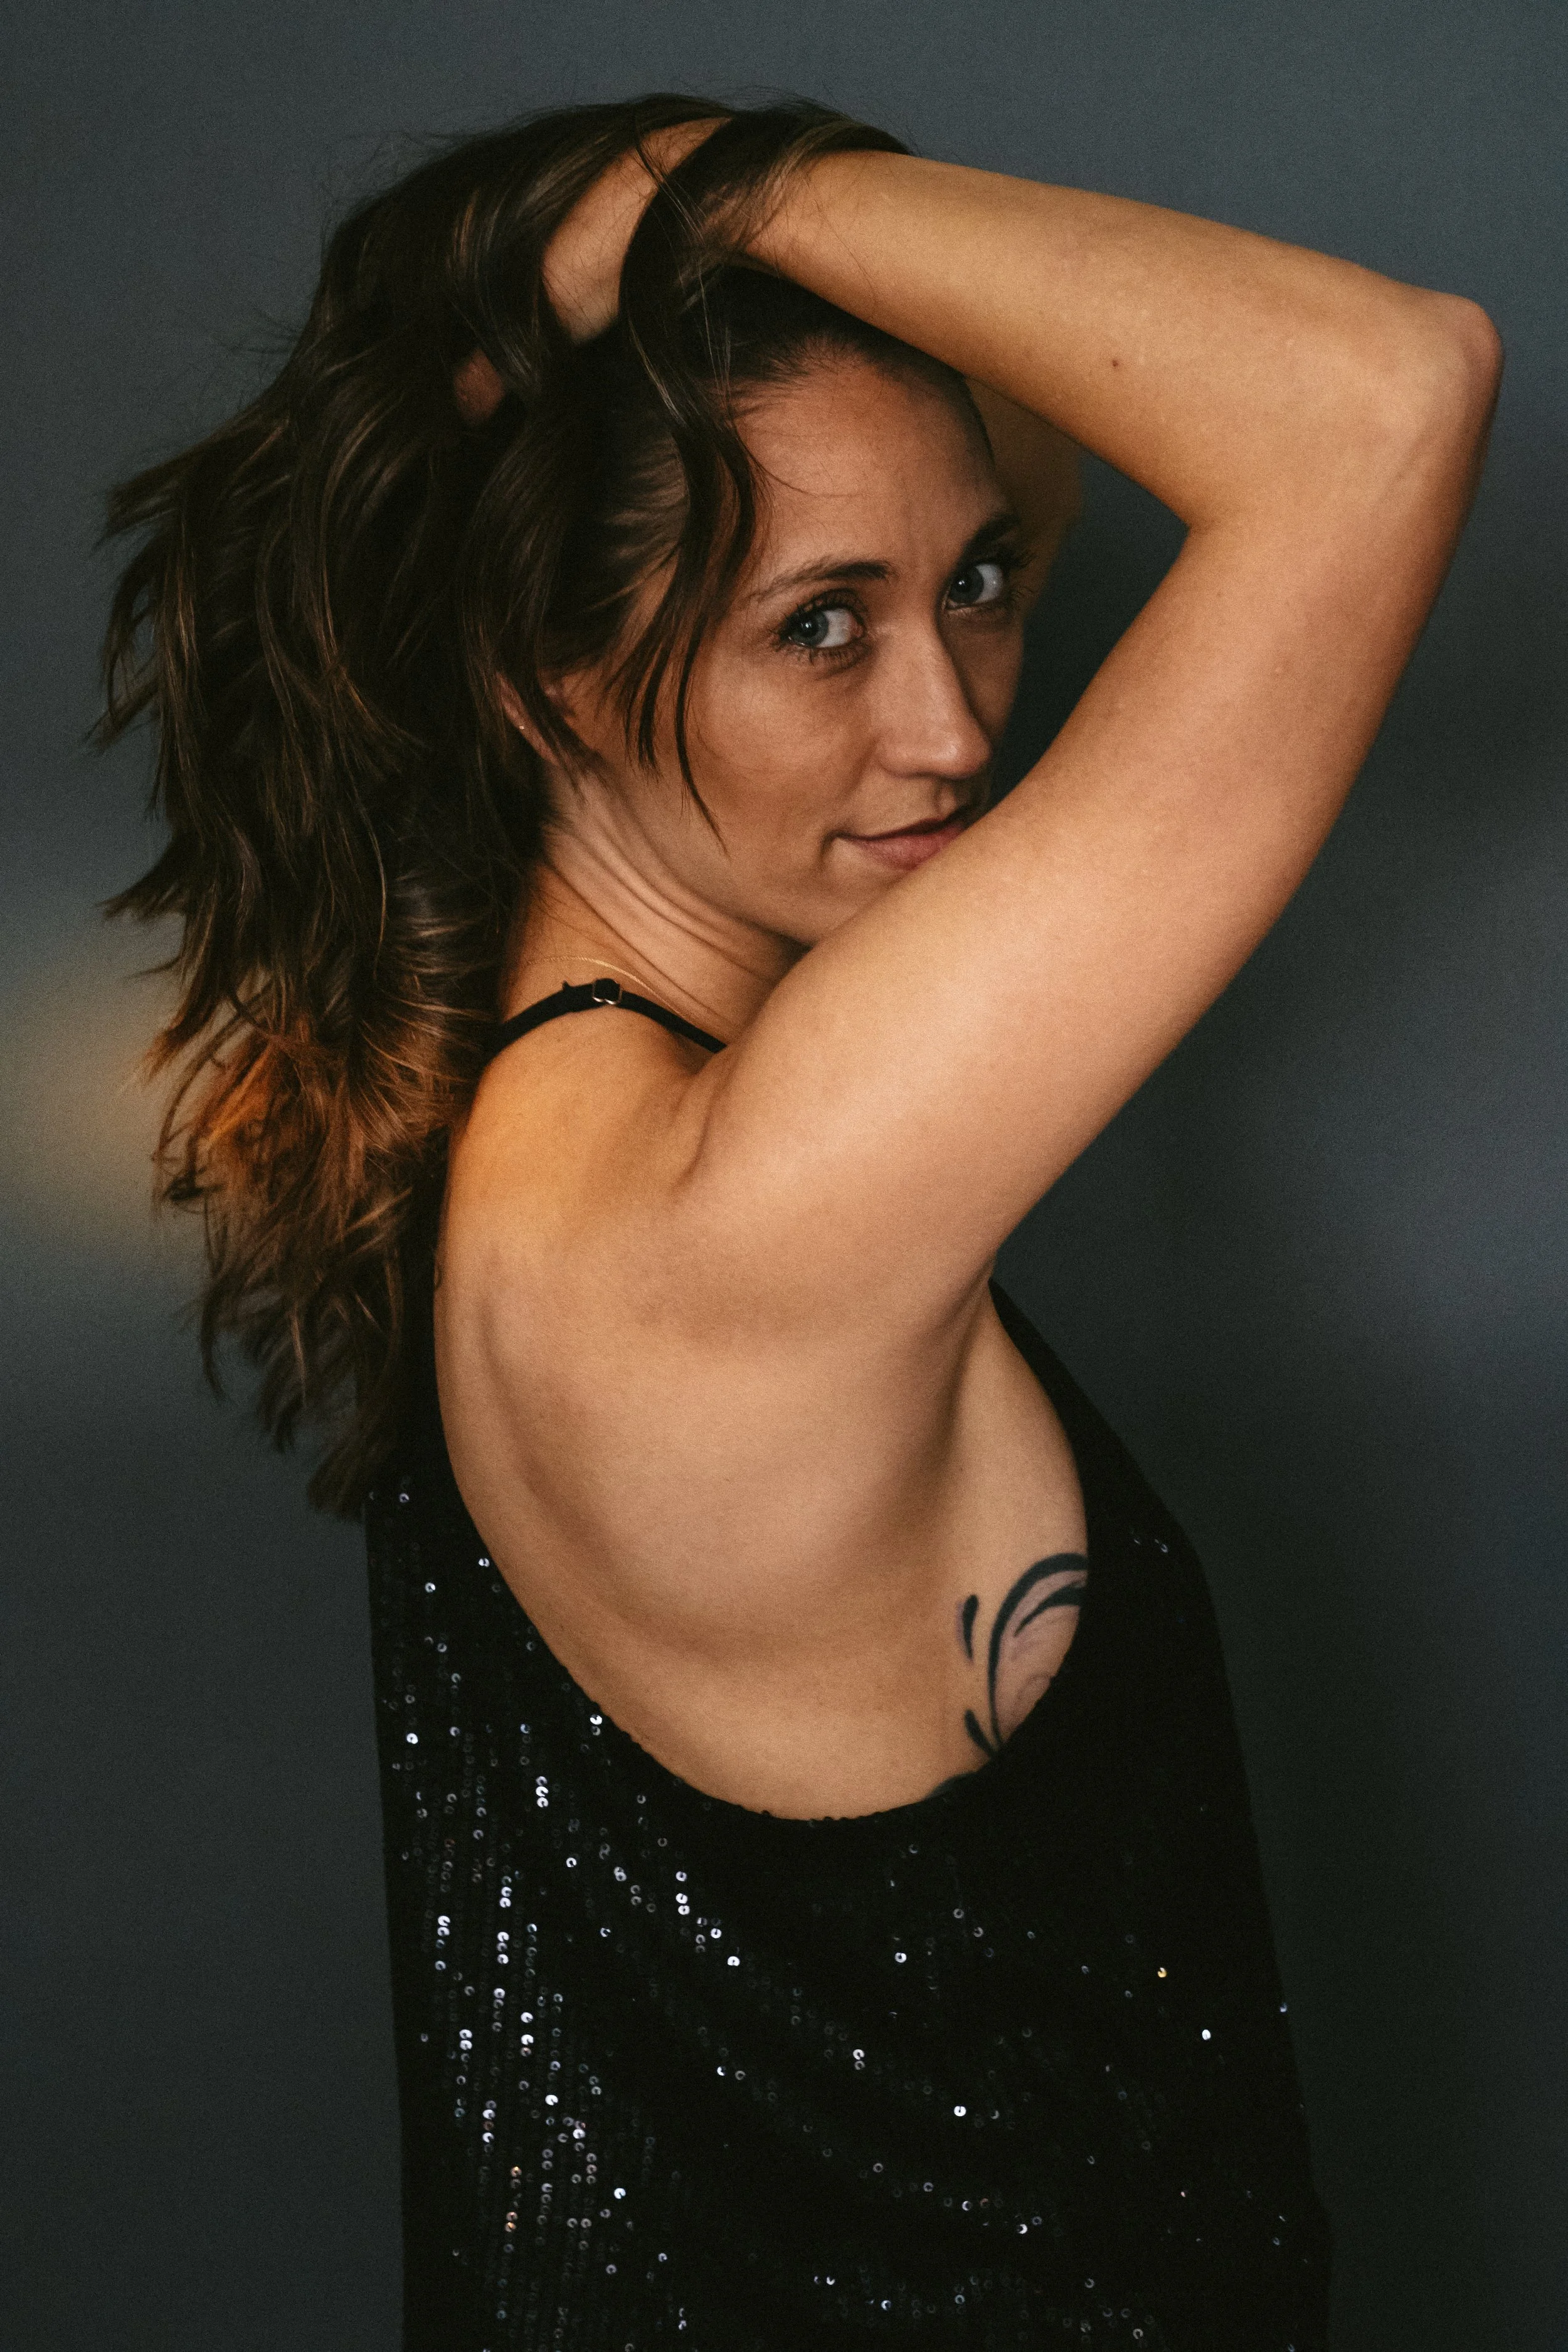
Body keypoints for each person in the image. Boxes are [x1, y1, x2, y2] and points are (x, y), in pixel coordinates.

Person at [98, 92, 1498, 2351]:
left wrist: (654, 283)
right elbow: (1372, 393)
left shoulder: (565, 1130)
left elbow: (1040, 436)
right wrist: (692, 191)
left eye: (973, 592)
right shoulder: (738, 1214)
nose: (947, 726)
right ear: (540, 671)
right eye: (818, 627)